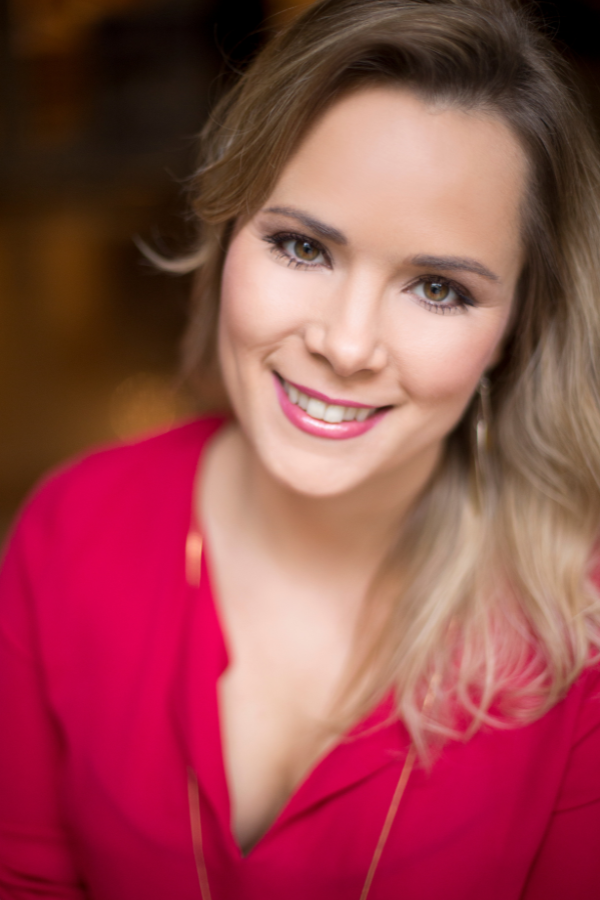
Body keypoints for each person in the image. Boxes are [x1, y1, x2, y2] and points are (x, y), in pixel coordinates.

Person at [2, 0, 600, 896]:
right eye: (302, 246)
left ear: (518, 329)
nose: (347, 345)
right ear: (226, 236)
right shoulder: (70, 528)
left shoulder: (580, 636)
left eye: (439, 288)